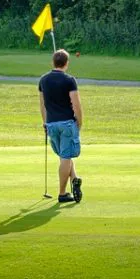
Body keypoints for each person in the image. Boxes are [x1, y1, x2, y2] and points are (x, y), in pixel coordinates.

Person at [39, 49, 83, 203]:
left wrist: (45, 122)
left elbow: (42, 104)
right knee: (65, 157)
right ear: (67, 63)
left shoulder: (43, 80)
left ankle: (75, 180)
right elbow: (76, 104)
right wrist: (79, 122)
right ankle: (62, 193)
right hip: (66, 123)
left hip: (51, 123)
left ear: (53, 62)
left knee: (64, 155)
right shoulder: (69, 80)